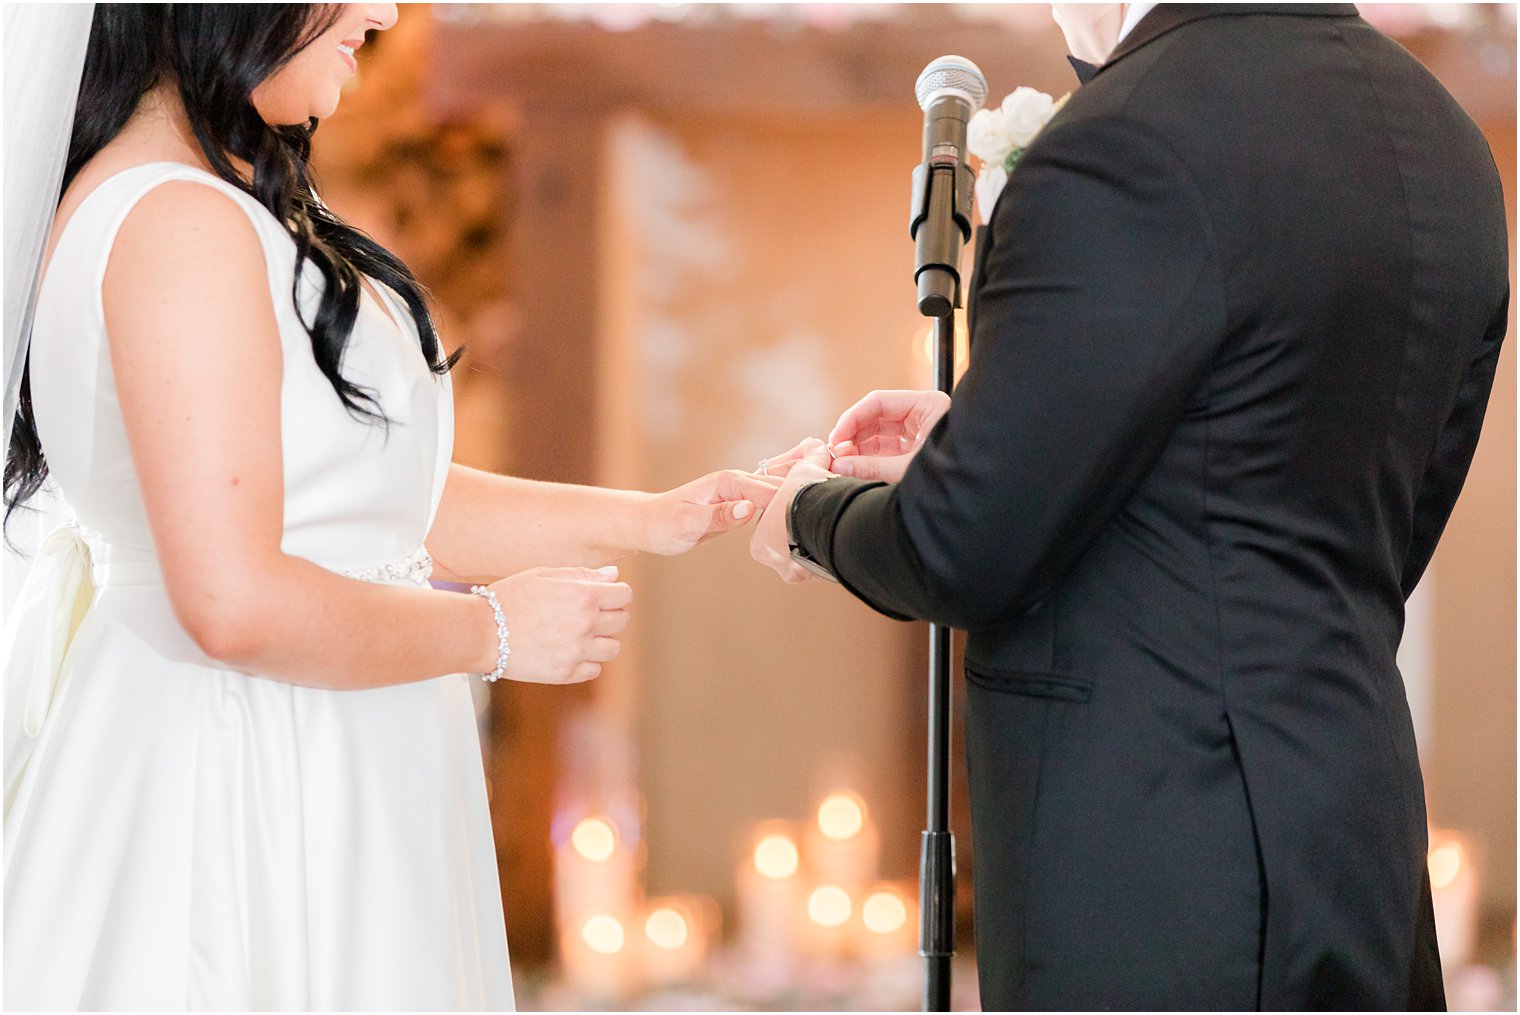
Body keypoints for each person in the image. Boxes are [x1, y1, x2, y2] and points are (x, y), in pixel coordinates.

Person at [1, 5, 777, 1010]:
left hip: (299, 741)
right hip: (246, 773)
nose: (380, 11)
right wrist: (491, 628)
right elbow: (229, 602)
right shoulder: (177, 224)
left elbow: (358, 501)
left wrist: (650, 516)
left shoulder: (181, 202)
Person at [753, 3, 1508, 1009]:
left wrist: (810, 509)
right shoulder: (1441, 141)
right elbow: (1339, 507)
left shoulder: (1122, 136)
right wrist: (986, 441)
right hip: (1355, 842)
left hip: (1155, 869)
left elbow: (954, 549)